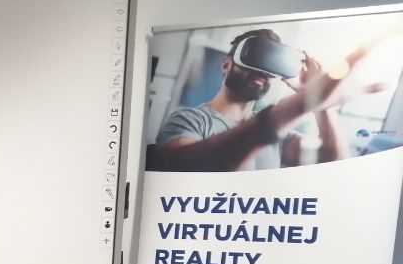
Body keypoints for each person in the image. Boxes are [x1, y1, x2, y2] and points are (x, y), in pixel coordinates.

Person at [150, 27, 383, 172]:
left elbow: (334, 160)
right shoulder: (190, 120)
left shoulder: (281, 137)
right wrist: (282, 115)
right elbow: (184, 168)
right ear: (226, 64)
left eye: (270, 64)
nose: (261, 71)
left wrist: (320, 103)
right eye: (254, 59)